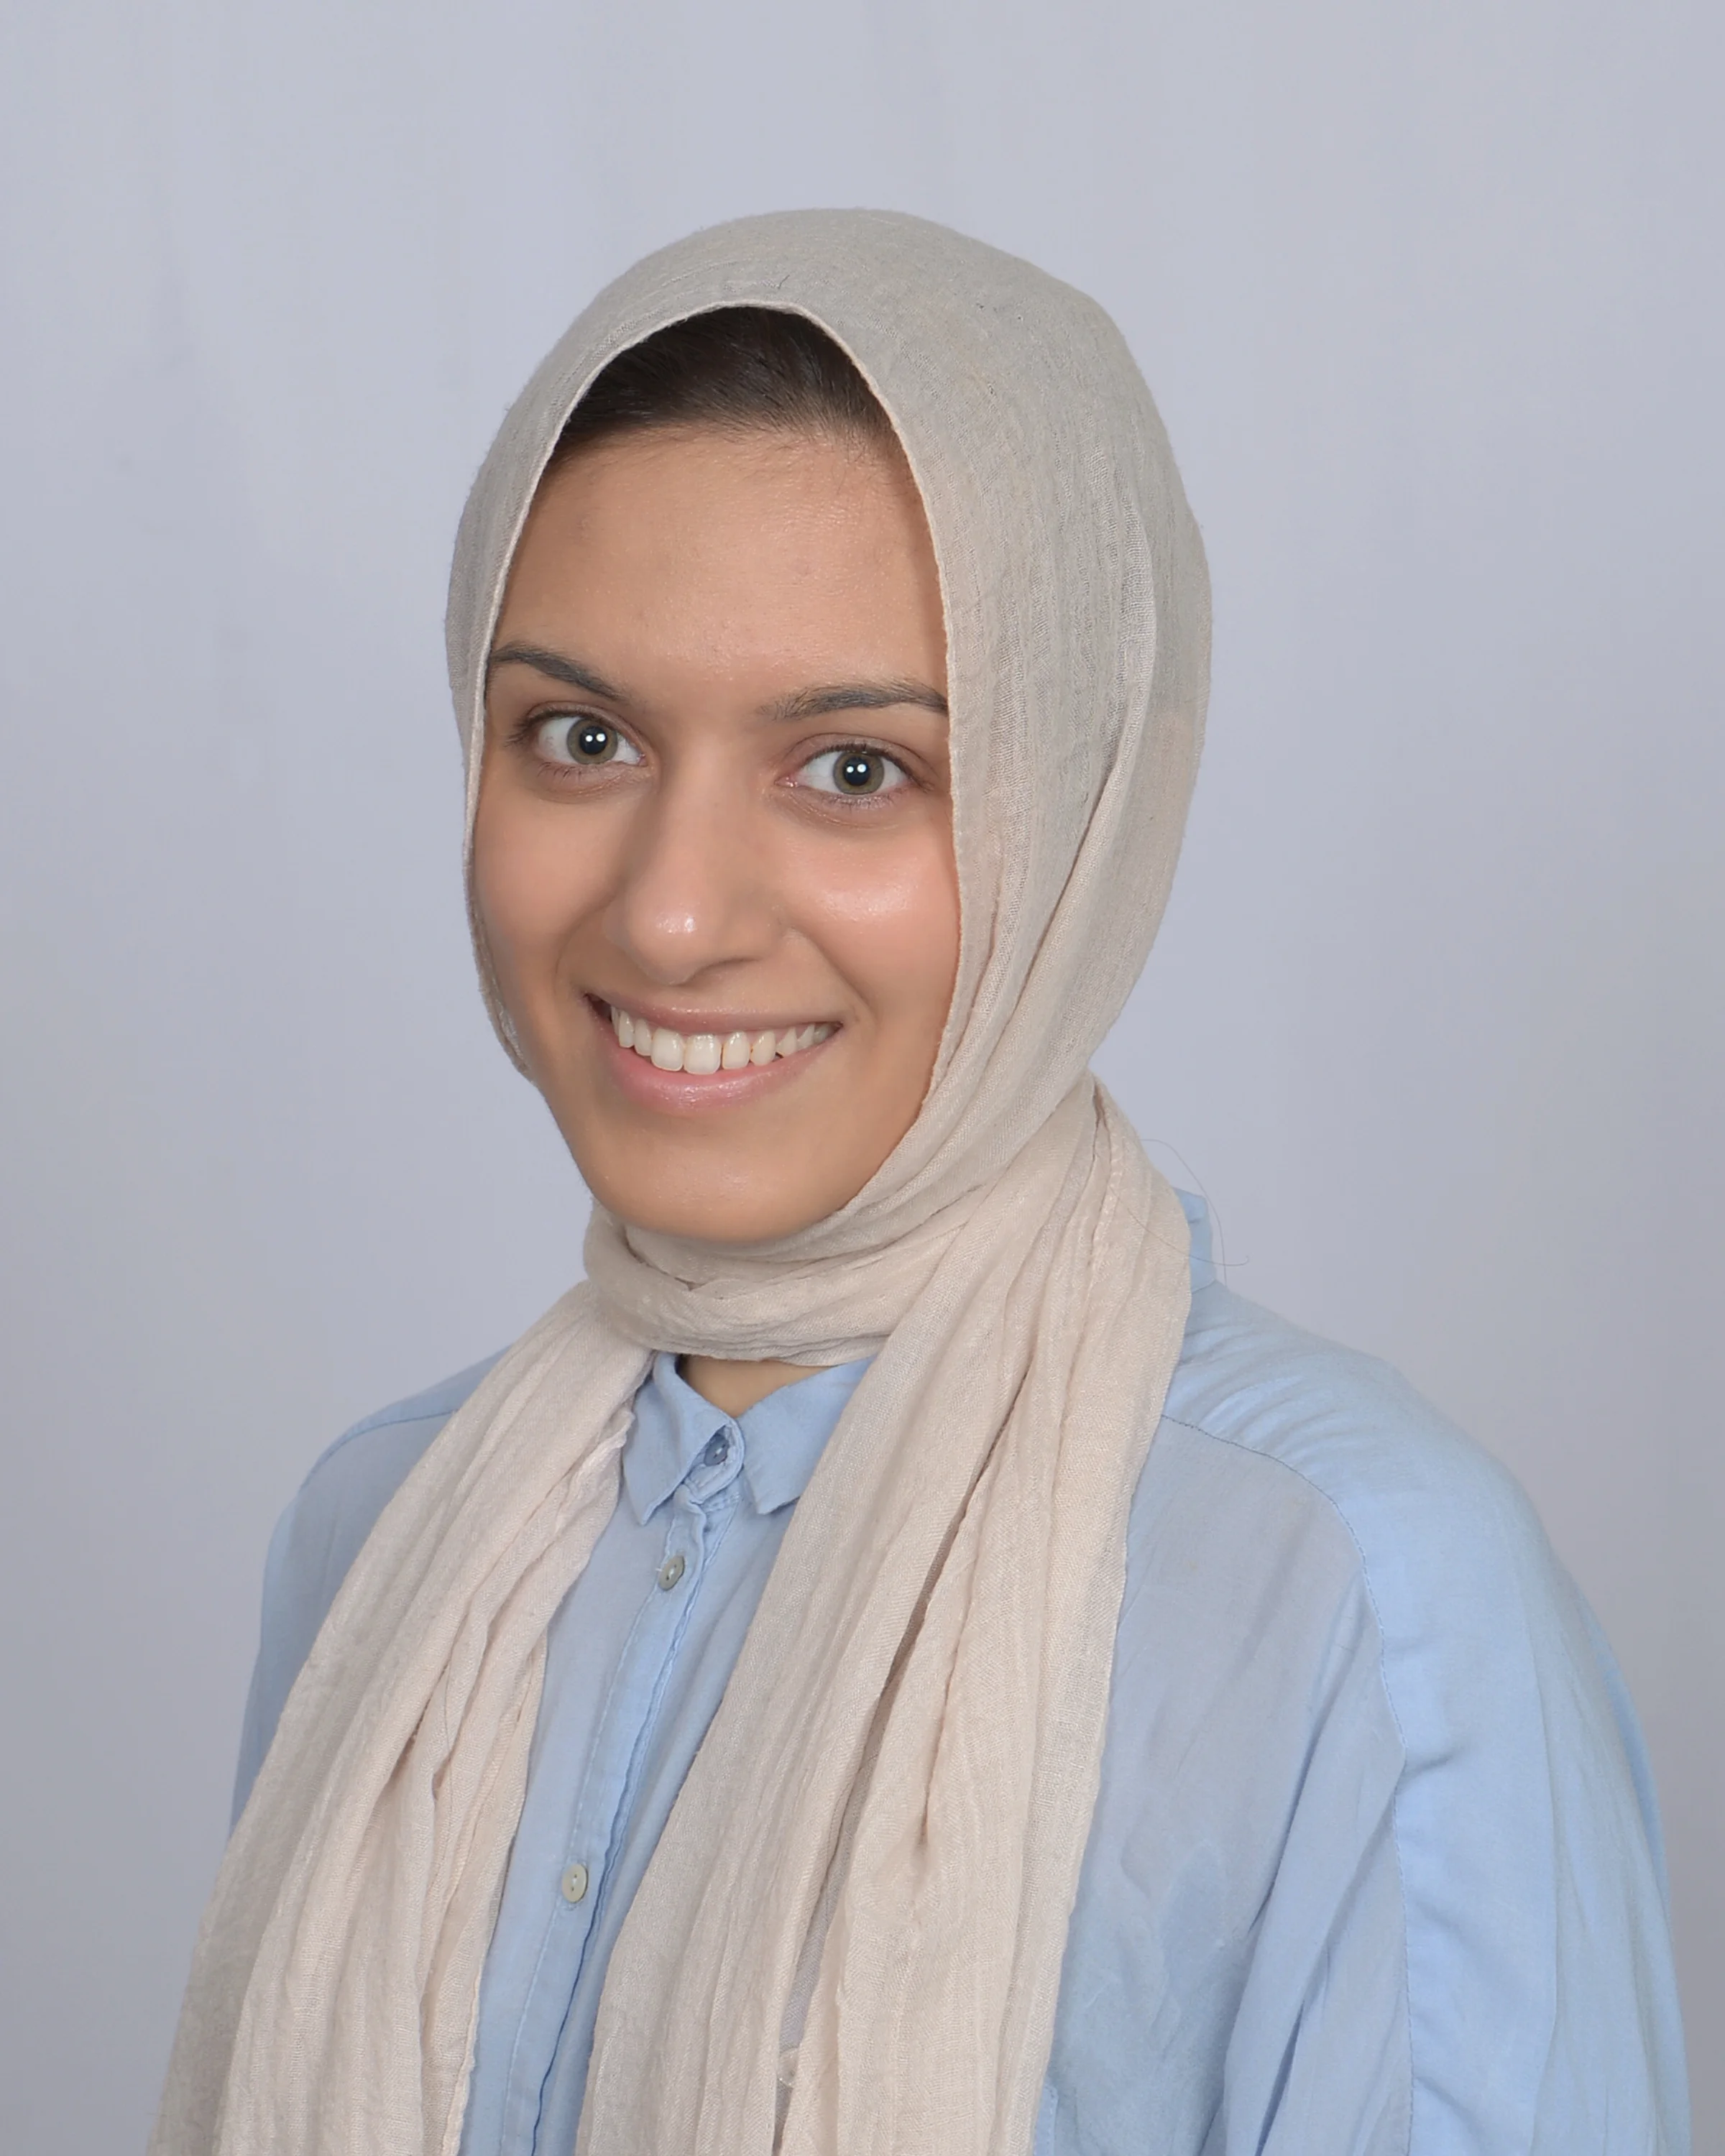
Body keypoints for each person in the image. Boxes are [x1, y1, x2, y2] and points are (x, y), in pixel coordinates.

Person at [152, 211, 1689, 2156]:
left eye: (855, 769)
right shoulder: (378, 1534)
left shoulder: (1345, 1598)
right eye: (582, 737)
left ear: (1083, 814)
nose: (673, 912)